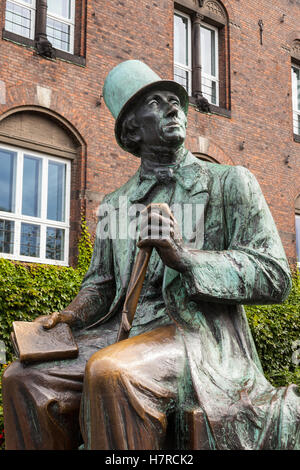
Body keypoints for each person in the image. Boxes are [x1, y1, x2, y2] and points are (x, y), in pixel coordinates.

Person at [3, 60, 299, 450]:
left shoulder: (230, 183)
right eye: (156, 103)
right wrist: (71, 315)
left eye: (174, 100)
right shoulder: (115, 204)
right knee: (23, 380)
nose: (174, 107)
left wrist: (185, 258)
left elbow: (275, 274)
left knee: (112, 372)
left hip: (196, 337)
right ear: (132, 129)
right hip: (123, 332)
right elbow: (101, 285)